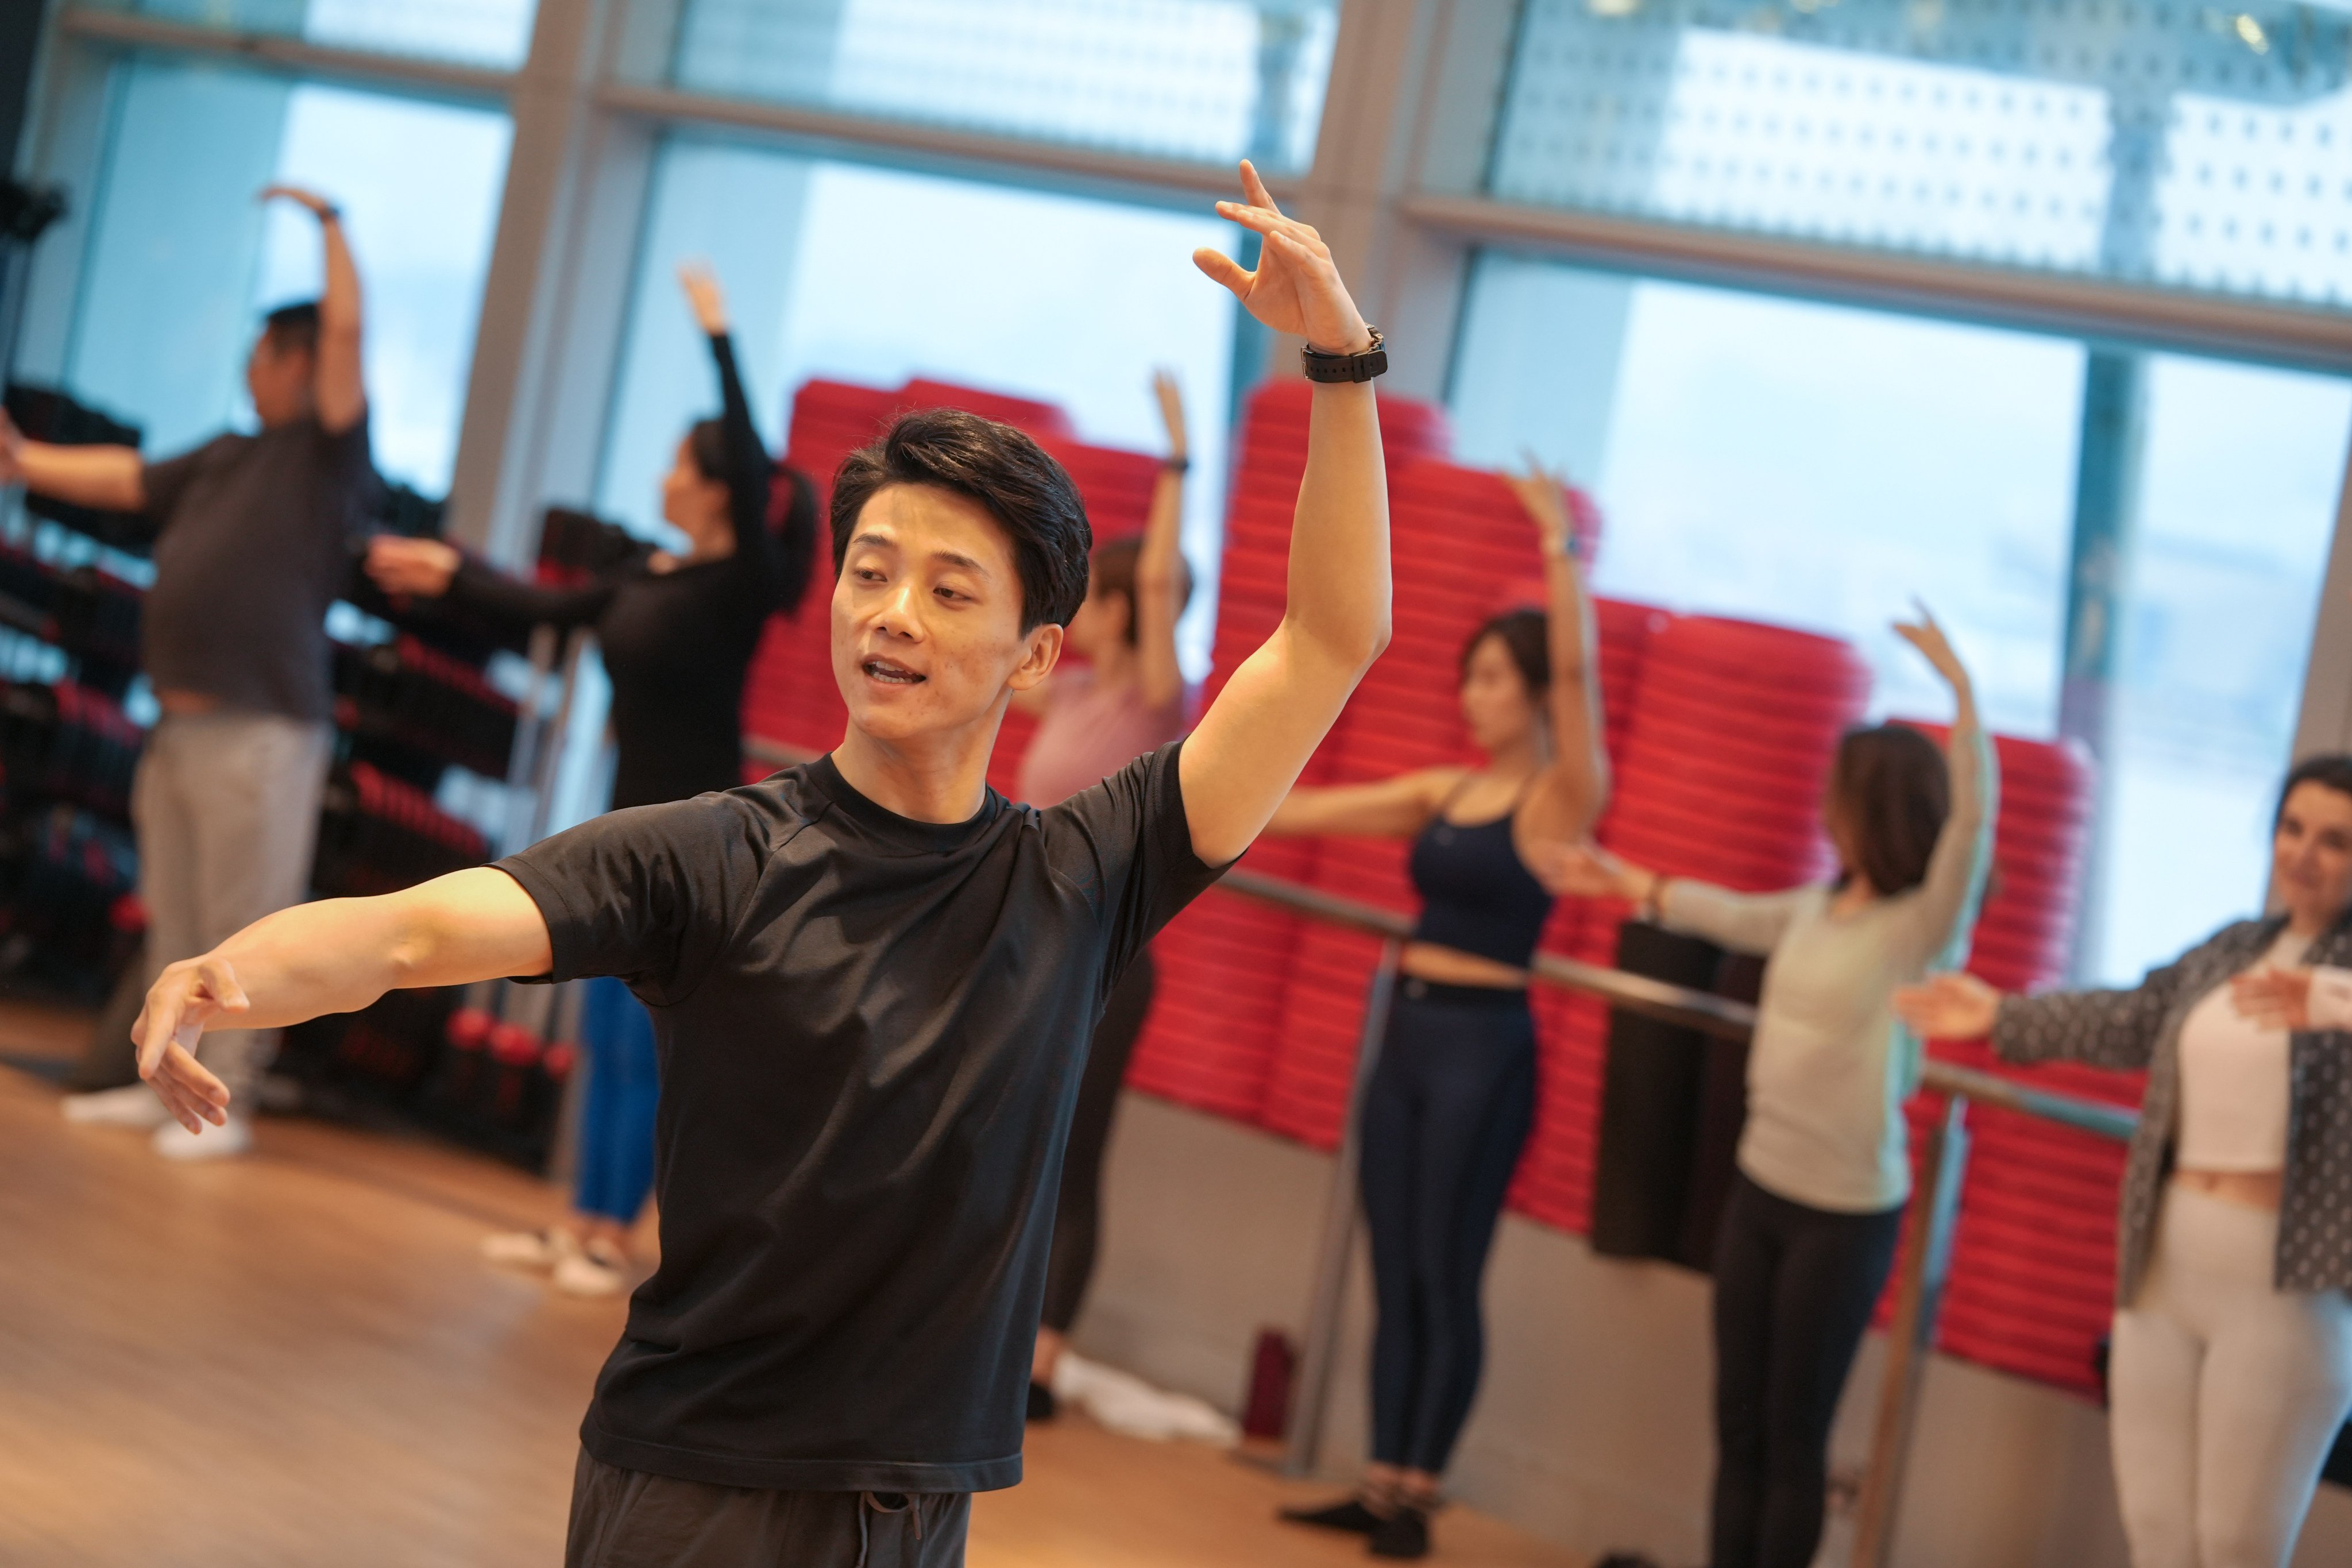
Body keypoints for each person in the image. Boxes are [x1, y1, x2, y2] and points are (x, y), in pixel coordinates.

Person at [132, 163, 1389, 1568]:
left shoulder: (1086, 875)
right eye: (868, 570)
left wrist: (1340, 363)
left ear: (1035, 657)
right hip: (699, 1495)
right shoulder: (719, 857)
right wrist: (223, 973)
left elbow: (1327, 641)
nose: (891, 613)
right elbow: (425, 931)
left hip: (918, 1506)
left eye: (947, 588)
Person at [365, 261, 817, 1297]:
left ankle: (618, 1238)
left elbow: (757, 475)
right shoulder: (646, 577)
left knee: (653, 1049)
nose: (663, 475)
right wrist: (453, 574)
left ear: (711, 486)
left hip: (699, 840)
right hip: (625, 828)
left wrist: (720, 340)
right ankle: (586, 1222)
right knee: (606, 1038)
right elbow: (544, 607)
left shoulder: (738, 587)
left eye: (677, 462)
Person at [1550, 611, 1992, 1568]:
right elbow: (1731, 914)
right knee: (1739, 1425)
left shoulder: (1919, 929)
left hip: (1843, 1215)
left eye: (1838, 794)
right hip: (1762, 1191)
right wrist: (1630, 883)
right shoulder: (1817, 910)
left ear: (1868, 808)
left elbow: (1971, 832)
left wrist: (1963, 698)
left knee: (1794, 1434)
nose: (1824, 808)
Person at [1270, 466, 1610, 1561]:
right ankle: (1379, 1480)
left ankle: (1419, 1492)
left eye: (1495, 679)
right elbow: (1299, 803)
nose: (1476, 694)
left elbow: (1578, 669)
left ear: (1533, 697)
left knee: (1443, 1269)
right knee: (1390, 1263)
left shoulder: (1561, 794)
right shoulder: (1443, 792)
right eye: (1469, 678)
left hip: (1484, 1051)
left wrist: (1559, 550)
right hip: (1408, 1038)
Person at [1898, 754, 2352, 1568]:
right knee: (2159, 1534)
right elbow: (2132, 1016)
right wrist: (2004, 1014)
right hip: (2163, 1267)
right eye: (2291, 828)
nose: (2303, 855)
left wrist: (2328, 1003)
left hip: (2286, 1293)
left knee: (2238, 1546)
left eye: (2335, 840)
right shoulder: (2236, 947)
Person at [0, 184, 371, 1161]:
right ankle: (165, 1085)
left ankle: (229, 1101)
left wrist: (327, 222)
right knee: (180, 916)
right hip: (182, 724)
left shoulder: (326, 454)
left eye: (262, 354)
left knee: (245, 933)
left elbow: (347, 335)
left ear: (295, 363)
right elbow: (127, 478)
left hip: (264, 726)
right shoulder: (226, 451)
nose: (250, 370)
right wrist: (26, 460)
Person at [1011, 368, 1195, 1417]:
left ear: (1124, 610)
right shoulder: (1068, 691)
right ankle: (987, 1330)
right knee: (1013, 1144)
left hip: (1113, 955)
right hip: (1031, 940)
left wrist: (1174, 464)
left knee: (1073, 1155)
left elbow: (1165, 588)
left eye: (1095, 600)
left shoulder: (1152, 695)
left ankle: (1042, 1363)